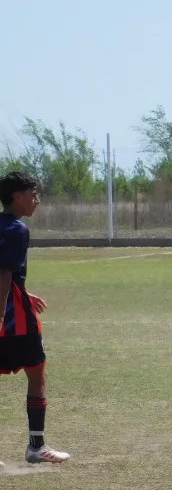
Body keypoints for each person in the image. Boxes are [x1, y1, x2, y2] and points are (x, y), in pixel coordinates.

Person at [0, 171, 70, 466]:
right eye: (32, 194)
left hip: (14, 305)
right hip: (13, 319)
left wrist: (24, 294)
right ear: (17, 197)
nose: (37, 200)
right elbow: (3, 275)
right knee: (37, 372)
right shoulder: (17, 229)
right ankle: (36, 446)